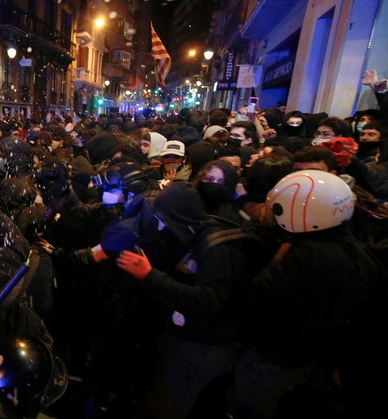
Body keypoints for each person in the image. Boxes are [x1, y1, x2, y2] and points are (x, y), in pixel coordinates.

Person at [231, 170, 388, 418]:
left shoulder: (302, 257)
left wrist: (279, 257)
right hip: (316, 351)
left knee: (252, 398)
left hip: (280, 354)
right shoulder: (355, 247)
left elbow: (260, 295)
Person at [115, 182, 252, 418]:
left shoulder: (218, 249)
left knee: (173, 400)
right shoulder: (200, 231)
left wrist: (149, 275)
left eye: (163, 218)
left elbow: (206, 302)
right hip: (194, 336)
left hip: (210, 344)